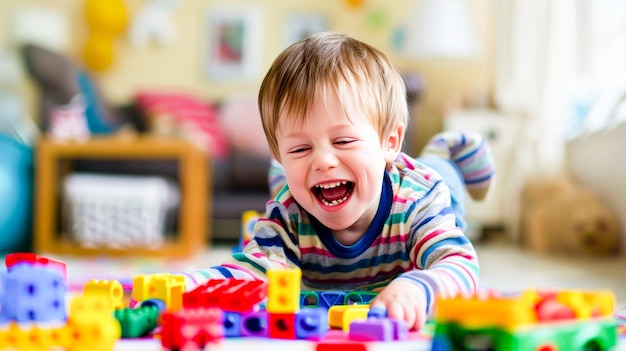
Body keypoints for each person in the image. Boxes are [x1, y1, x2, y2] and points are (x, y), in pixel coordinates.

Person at [181, 31, 495, 330]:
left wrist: (420, 288)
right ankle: (287, 170)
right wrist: (189, 285)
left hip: (428, 187)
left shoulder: (418, 200)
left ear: (390, 141)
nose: (323, 160)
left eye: (343, 141)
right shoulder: (290, 215)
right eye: (300, 148)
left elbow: (461, 266)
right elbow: (252, 273)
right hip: (306, 192)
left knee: (442, 173)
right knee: (291, 192)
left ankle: (453, 149)